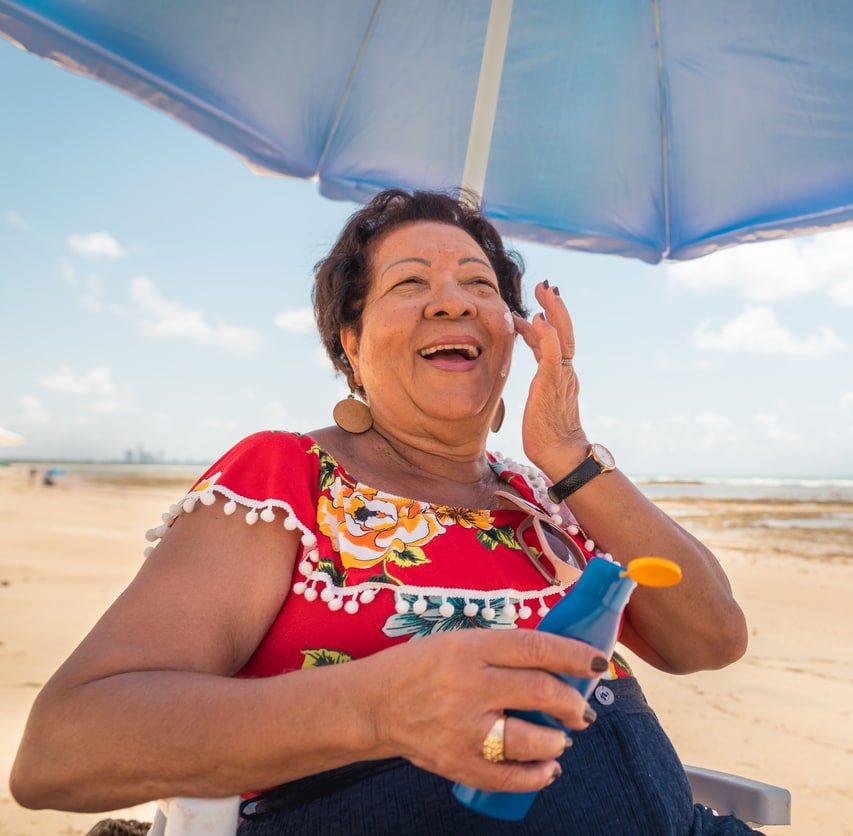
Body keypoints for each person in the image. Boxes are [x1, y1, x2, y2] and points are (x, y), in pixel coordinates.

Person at [9, 189, 753, 834]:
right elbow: (61, 751)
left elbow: (710, 638)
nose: (452, 299)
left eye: (478, 282)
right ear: (351, 345)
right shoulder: (288, 477)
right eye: (409, 282)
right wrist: (379, 707)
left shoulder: (543, 498)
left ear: (512, 335)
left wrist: (568, 454)